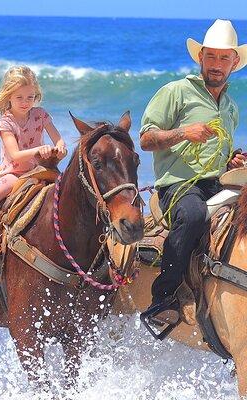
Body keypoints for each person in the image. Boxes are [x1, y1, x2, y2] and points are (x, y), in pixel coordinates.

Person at [139, 19, 247, 326]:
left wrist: (232, 161)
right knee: (194, 214)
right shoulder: (176, 92)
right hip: (179, 185)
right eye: (210, 56)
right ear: (200, 58)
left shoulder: (230, 107)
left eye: (224, 58)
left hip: (218, 183)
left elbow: (220, 155)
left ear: (234, 62)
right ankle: (164, 297)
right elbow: (146, 139)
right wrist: (184, 132)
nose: (216, 64)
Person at [0, 66, 67, 272]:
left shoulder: (41, 115)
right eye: (20, 98)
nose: (25, 102)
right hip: (14, 173)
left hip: (41, 170)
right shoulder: (6, 121)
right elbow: (15, 155)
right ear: (9, 97)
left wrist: (60, 148)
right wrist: (38, 150)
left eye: (30, 97)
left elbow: (58, 139)